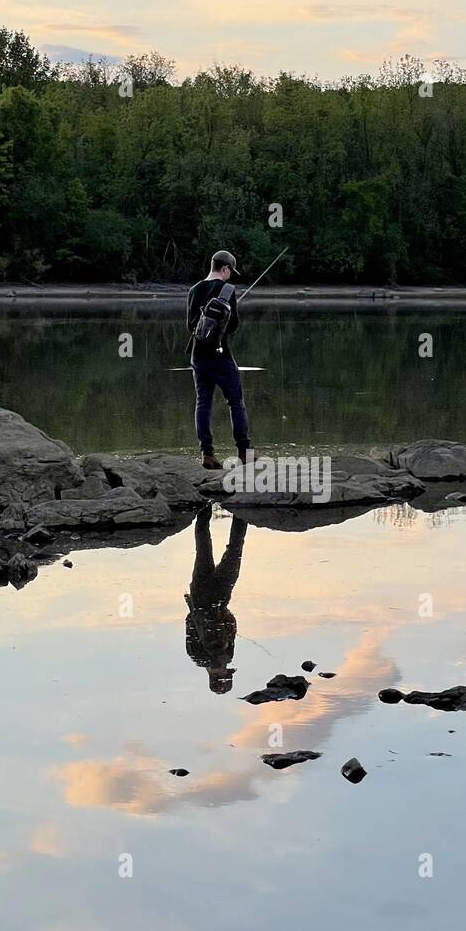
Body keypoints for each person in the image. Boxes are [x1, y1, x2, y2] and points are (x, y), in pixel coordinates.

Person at [186, 250, 252, 469]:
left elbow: (190, 325)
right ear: (225, 269)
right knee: (236, 402)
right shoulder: (227, 289)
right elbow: (232, 326)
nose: (230, 276)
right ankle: (244, 454)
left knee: (202, 403)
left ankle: (207, 454)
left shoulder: (194, 289)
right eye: (230, 271)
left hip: (198, 355)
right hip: (220, 354)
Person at [184, 508, 248, 694]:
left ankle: (240, 510)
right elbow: (190, 621)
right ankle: (204, 505)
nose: (225, 668)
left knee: (235, 549)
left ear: (218, 675)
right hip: (199, 594)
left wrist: (222, 613)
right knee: (203, 546)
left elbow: (231, 626)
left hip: (219, 595)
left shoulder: (214, 655)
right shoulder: (196, 656)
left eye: (224, 673)